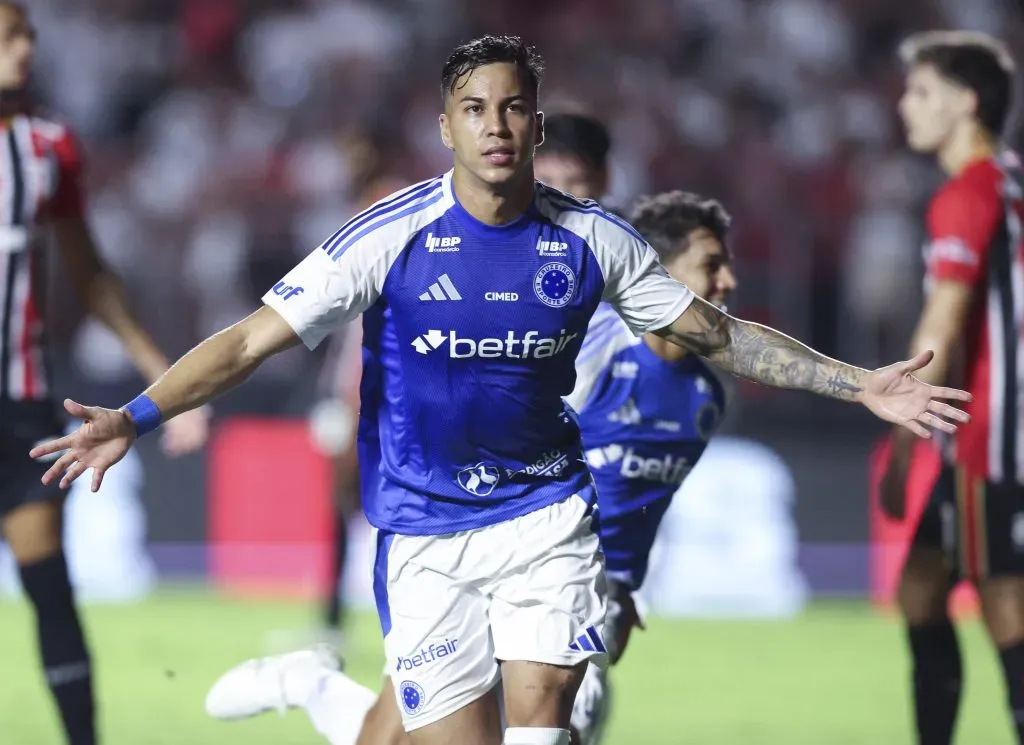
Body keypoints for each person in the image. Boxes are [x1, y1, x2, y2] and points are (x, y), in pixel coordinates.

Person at [34, 34, 969, 745]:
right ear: (446, 127)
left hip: (544, 515)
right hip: (424, 528)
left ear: (536, 124)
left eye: (513, 108)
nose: (495, 125)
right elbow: (247, 341)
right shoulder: (387, 236)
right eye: (475, 109)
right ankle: (320, 687)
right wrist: (136, 413)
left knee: (549, 718)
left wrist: (860, 385)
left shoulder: (593, 240)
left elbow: (713, 333)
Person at [202, 189, 738, 745]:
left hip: (576, 587)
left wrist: (624, 582)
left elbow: (639, 502)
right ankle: (313, 686)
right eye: (711, 265)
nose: (727, 283)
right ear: (663, 272)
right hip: (499, 556)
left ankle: (314, 686)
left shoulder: (704, 397)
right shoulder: (592, 348)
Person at [0, 4, 209, 745]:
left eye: (28, 34)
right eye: (8, 36)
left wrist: (163, 376)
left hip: (20, 407)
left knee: (51, 588)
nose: (24, 49)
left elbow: (90, 272)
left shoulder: (49, 146)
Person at [881, 30, 1024, 745]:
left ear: (966, 103)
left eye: (922, 92)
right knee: (921, 588)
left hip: (992, 438)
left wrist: (904, 433)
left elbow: (945, 312)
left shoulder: (965, 193)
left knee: (1004, 597)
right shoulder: (1010, 181)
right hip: (1000, 428)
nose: (906, 106)